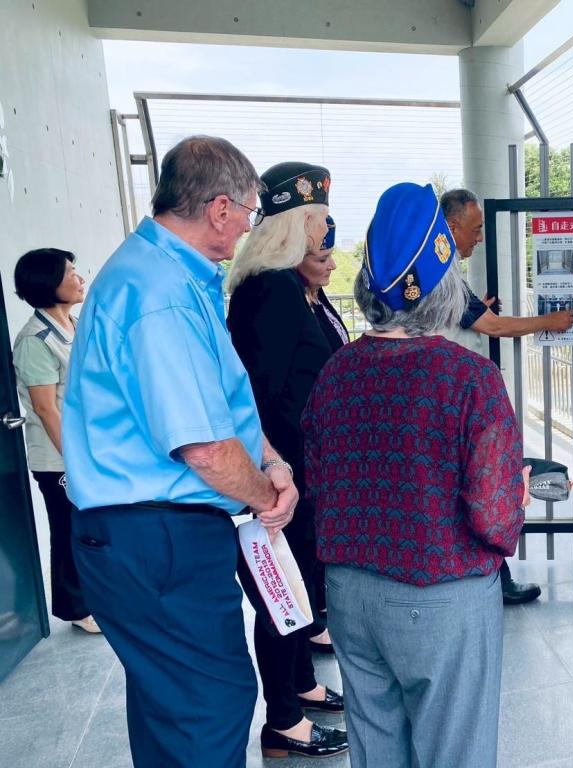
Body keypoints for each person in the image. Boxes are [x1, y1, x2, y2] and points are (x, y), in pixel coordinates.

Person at [62, 135, 299, 768]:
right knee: (208, 707)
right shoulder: (160, 292)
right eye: (248, 211)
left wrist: (271, 461)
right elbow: (206, 447)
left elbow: (221, 403)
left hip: (144, 535)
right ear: (220, 209)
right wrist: (268, 497)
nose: (248, 226)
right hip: (158, 538)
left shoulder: (164, 274)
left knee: (172, 706)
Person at [304, 181, 527, 768]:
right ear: (445, 284)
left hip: (350, 592)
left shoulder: (336, 371)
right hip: (441, 592)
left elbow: (319, 482)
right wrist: (517, 493)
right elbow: (494, 516)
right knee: (455, 752)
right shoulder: (470, 379)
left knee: (375, 747)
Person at [226, 162, 349, 759]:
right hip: (285, 477)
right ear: (297, 223)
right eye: (321, 220)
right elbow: (260, 395)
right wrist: (274, 474)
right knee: (282, 596)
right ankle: (283, 721)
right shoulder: (270, 289)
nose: (327, 233)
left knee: (301, 588)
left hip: (301, 472)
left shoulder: (281, 287)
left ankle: (301, 684)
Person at [441, 187, 573, 605]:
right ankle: (495, 579)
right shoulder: (444, 272)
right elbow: (495, 327)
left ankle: (495, 577)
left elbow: (469, 319)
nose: (480, 237)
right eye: (476, 228)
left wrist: (474, 310)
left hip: (448, 398)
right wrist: (549, 321)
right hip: (454, 400)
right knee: (485, 481)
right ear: (452, 226)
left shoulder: (442, 271)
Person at [11, 248, 98, 634]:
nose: (80, 278)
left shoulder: (76, 325)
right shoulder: (35, 340)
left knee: (90, 527)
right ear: (48, 284)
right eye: (70, 273)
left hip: (87, 450)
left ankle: (93, 598)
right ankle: (74, 607)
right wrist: (76, 462)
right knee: (68, 529)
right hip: (60, 458)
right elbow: (47, 410)